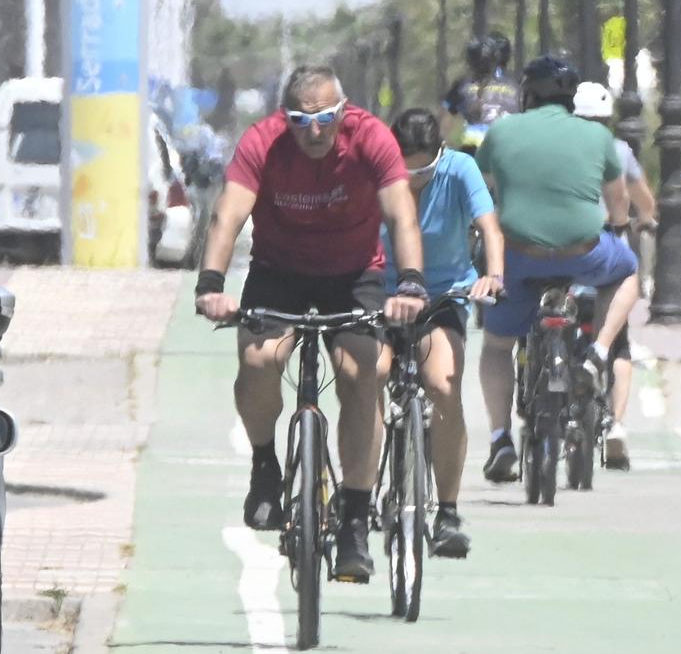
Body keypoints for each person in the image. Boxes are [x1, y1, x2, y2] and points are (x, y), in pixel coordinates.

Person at [193, 66, 428, 583]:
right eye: (301, 119)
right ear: (286, 117)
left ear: (342, 112)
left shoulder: (370, 137)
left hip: (354, 273)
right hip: (279, 272)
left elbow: (402, 215)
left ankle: (354, 521)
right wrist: (211, 283)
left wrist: (409, 282)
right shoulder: (264, 142)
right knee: (258, 359)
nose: (314, 130)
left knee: (361, 372)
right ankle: (264, 467)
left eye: (324, 118)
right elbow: (227, 216)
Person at [473, 56, 639, 482]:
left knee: (495, 346)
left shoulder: (502, 130)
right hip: (581, 250)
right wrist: (618, 230)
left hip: (518, 255)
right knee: (627, 273)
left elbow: (483, 185)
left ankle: (500, 439)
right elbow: (618, 201)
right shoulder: (594, 136)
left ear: (527, 94)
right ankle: (599, 353)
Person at [383, 109, 506, 558]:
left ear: (441, 154)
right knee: (366, 375)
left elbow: (489, 226)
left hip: (442, 296)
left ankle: (448, 511)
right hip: (381, 295)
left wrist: (493, 275)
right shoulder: (375, 173)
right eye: (405, 168)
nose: (414, 179)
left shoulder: (460, 169)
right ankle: (357, 494)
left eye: (425, 169)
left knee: (442, 385)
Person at [574, 81, 655, 470]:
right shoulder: (619, 151)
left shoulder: (563, 148)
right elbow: (643, 201)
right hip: (606, 252)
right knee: (619, 343)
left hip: (561, 251)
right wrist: (646, 220)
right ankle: (618, 427)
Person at [443, 33, 522, 154]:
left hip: (474, 148)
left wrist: (443, 146)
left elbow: (445, 116)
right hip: (510, 144)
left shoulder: (462, 84)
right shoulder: (516, 83)